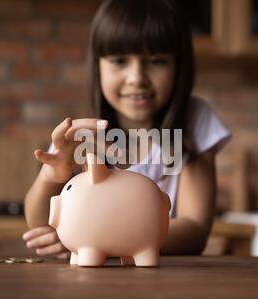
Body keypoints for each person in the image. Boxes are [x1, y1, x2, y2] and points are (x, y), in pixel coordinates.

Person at [23, 0, 231, 258]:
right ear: (97, 66)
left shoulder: (193, 121)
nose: (137, 78)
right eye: (119, 61)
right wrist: (51, 175)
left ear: (179, 66)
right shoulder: (81, 134)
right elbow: (40, 222)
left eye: (156, 61)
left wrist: (95, 238)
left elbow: (195, 230)